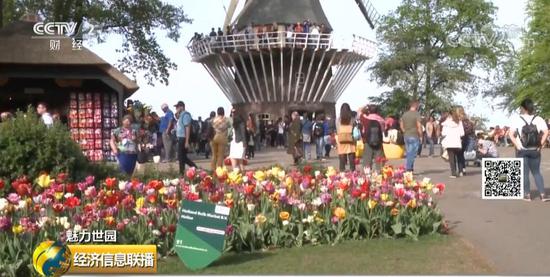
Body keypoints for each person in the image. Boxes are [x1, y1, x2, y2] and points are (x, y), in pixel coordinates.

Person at [509, 99, 549, 201]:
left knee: (524, 173)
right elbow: (546, 132)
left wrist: (517, 145)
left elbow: (510, 134)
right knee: (536, 172)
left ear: (522, 108)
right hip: (535, 150)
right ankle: (543, 194)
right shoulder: (539, 119)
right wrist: (540, 145)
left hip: (522, 150)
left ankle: (527, 195)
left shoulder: (516, 119)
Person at [360, 104, 385, 171]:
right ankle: (379, 173)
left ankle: (367, 175)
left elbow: (360, 113)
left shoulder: (365, 118)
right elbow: (383, 130)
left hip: (367, 141)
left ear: (369, 111)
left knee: (367, 160)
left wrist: (364, 108)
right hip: (378, 141)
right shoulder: (381, 120)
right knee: (379, 160)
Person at [174, 101, 197, 174]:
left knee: (182, 157)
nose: (176, 109)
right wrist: (177, 113)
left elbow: (187, 128)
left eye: (177, 107)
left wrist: (187, 141)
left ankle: (193, 168)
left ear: (182, 107)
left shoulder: (185, 115)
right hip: (180, 138)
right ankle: (184, 171)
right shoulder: (181, 115)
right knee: (182, 157)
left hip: (183, 138)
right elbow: (176, 117)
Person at [400, 100, 423, 173]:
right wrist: (421, 135)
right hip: (414, 135)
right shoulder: (417, 114)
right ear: (416, 106)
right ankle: (409, 168)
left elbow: (401, 124)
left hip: (406, 135)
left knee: (409, 152)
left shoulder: (405, 114)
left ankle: (410, 168)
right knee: (412, 153)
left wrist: (404, 130)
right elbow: (419, 125)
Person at [441, 107, 464, 178]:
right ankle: (460, 171)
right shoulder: (459, 122)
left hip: (449, 142)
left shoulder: (446, 123)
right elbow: (462, 133)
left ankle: (453, 173)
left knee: (451, 159)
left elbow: (443, 133)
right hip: (457, 142)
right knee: (459, 156)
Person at [336, 103, 356, 172]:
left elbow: (337, 129)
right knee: (351, 155)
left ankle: (342, 171)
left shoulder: (338, 119)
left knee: (342, 155)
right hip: (350, 138)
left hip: (341, 138)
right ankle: (352, 170)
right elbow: (354, 128)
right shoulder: (352, 119)